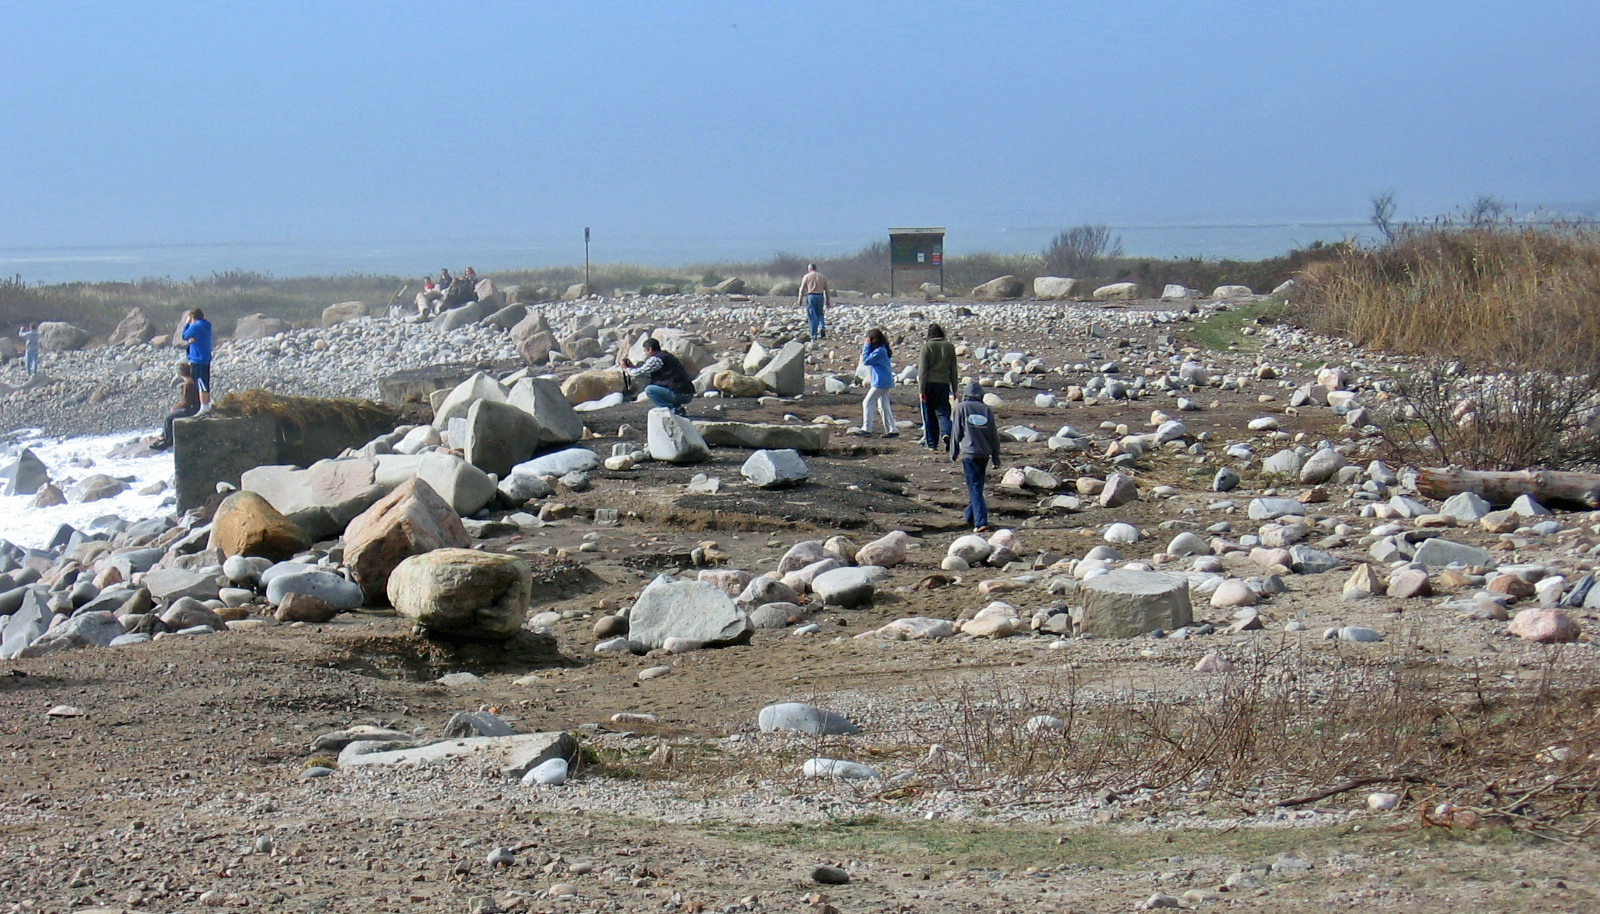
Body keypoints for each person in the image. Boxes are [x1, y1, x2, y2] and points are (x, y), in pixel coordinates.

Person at [949, 379, 1002, 532]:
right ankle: (970, 517)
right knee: (977, 486)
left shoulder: (961, 407)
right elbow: (994, 434)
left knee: (974, 487)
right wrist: (996, 456)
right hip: (984, 454)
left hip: (969, 453)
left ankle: (981, 521)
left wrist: (953, 452)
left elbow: (956, 431)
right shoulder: (986, 409)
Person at [622, 337, 696, 415]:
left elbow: (638, 373)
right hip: (686, 392)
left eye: (645, 351)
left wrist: (625, 368)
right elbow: (646, 372)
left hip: (679, 393)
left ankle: (671, 410)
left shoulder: (656, 359)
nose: (645, 354)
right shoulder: (666, 356)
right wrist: (633, 367)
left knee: (650, 390)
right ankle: (678, 409)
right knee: (660, 387)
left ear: (649, 349)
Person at [918, 323, 958, 450]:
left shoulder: (927, 346)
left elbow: (922, 371)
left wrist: (921, 390)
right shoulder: (949, 346)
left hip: (929, 383)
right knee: (943, 412)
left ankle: (932, 444)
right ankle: (946, 432)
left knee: (929, 414)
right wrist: (955, 389)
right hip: (944, 384)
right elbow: (953, 369)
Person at [150, 362, 200, 450]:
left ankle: (168, 440)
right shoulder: (193, 382)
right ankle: (163, 437)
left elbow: (186, 403)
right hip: (195, 408)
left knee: (168, 418)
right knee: (170, 415)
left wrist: (176, 407)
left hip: (191, 410)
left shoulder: (188, 385)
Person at [860, 327, 897, 437]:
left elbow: (866, 360)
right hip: (884, 381)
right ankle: (892, 429)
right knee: (884, 405)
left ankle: (867, 428)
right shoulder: (882, 349)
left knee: (867, 402)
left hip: (880, 382)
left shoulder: (880, 351)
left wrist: (866, 345)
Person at [180, 308, 214, 414]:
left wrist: (187, 324)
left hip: (198, 360)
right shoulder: (206, 326)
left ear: (192, 317)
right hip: (205, 358)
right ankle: (206, 405)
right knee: (205, 383)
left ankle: (203, 407)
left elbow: (184, 336)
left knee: (201, 383)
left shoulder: (196, 326)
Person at [797, 263, 831, 340]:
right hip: (820, 296)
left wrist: (800, 299)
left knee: (812, 315)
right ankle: (822, 326)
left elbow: (802, 289)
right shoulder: (822, 276)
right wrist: (828, 300)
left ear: (809, 269)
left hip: (811, 296)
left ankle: (814, 334)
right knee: (820, 313)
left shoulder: (806, 276)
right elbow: (827, 289)